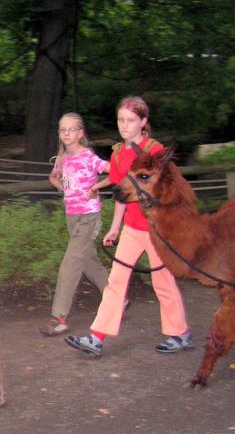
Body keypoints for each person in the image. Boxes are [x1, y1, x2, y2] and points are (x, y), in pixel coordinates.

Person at [65, 96, 191, 357]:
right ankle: (96, 338)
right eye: (120, 120)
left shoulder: (155, 151)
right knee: (115, 281)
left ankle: (180, 333)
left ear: (143, 122)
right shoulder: (118, 153)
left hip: (156, 229)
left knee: (162, 281)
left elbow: (169, 191)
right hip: (132, 229)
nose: (124, 125)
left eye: (130, 120)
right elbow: (122, 194)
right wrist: (115, 228)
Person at [40, 113, 110, 336]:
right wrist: (62, 187)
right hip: (72, 217)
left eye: (71, 129)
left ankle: (59, 317)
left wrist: (97, 187)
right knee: (88, 260)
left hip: (89, 217)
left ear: (80, 133)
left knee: (70, 263)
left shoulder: (88, 157)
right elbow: (53, 177)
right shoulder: (62, 159)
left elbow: (115, 171)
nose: (66, 133)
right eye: (63, 130)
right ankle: (117, 298)